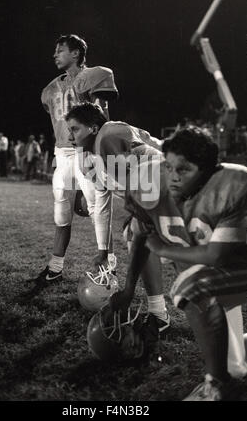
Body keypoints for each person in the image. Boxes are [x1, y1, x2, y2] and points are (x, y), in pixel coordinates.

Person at [108, 127, 247, 401]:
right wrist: (128, 290)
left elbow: (216, 256)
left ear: (207, 170)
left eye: (183, 169)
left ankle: (215, 386)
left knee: (190, 285)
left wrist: (164, 249)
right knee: (235, 365)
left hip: (244, 265)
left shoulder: (233, 184)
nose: (173, 176)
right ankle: (227, 374)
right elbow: (141, 234)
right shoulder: (151, 180)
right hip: (214, 279)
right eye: (168, 166)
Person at [65, 102, 170, 335]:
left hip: (174, 185)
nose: (69, 135)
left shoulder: (108, 135)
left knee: (144, 235)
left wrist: (140, 212)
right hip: (155, 192)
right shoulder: (89, 156)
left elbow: (146, 171)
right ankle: (158, 314)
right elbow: (102, 205)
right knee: (136, 234)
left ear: (93, 128)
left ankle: (161, 314)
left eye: (74, 129)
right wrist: (103, 250)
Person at [36, 34, 118, 284]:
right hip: (62, 154)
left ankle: (109, 267)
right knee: (61, 212)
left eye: (60, 50)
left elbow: (102, 117)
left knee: (98, 211)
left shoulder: (94, 76)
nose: (55, 54)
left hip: (87, 152)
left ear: (76, 53)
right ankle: (55, 267)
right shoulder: (50, 89)